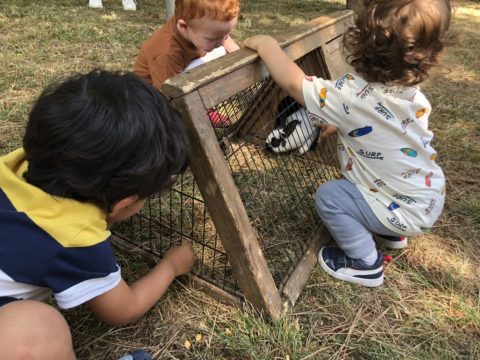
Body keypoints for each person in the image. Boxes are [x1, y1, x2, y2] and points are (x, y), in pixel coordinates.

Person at [244, 0, 451, 287]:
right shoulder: (412, 95)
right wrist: (337, 125)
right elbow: (381, 131)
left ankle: (365, 262)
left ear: (361, 43)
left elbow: (295, 85)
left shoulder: (352, 95)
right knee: (375, 183)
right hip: (428, 196)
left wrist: (267, 45)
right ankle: (392, 233)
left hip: (403, 208)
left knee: (330, 196)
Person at [0, 70, 195, 359]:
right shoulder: (73, 235)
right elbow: (123, 309)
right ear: (123, 203)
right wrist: (170, 266)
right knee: (39, 330)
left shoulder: (14, 165)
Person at [134, 0, 239, 128]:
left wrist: (237, 56)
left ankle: (201, 104)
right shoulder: (167, 54)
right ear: (183, 27)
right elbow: (169, 96)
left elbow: (233, 51)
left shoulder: (196, 25)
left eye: (226, 35)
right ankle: (200, 110)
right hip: (154, 100)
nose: (222, 41)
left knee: (223, 50)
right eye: (213, 38)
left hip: (185, 71)